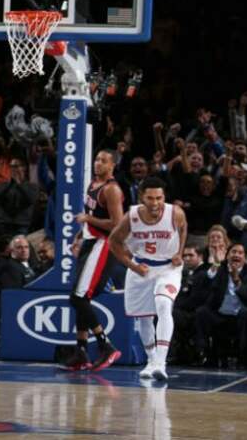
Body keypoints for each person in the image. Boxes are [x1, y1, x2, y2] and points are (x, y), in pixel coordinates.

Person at [108, 176, 188, 381]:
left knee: (163, 304)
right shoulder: (131, 217)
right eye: (150, 198)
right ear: (141, 197)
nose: (155, 203)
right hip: (141, 268)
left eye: (159, 198)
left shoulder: (175, 213)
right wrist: (133, 265)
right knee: (144, 317)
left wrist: (179, 251)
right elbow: (114, 242)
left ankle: (161, 362)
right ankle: (151, 360)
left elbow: (183, 228)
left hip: (168, 268)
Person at [63, 150, 125, 372]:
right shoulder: (93, 184)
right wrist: (81, 234)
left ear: (113, 166)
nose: (98, 163)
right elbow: (91, 213)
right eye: (97, 159)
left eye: (104, 161)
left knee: (78, 298)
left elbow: (117, 225)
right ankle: (81, 352)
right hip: (90, 241)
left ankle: (105, 345)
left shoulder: (111, 190)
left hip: (104, 245)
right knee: (81, 298)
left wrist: (89, 219)